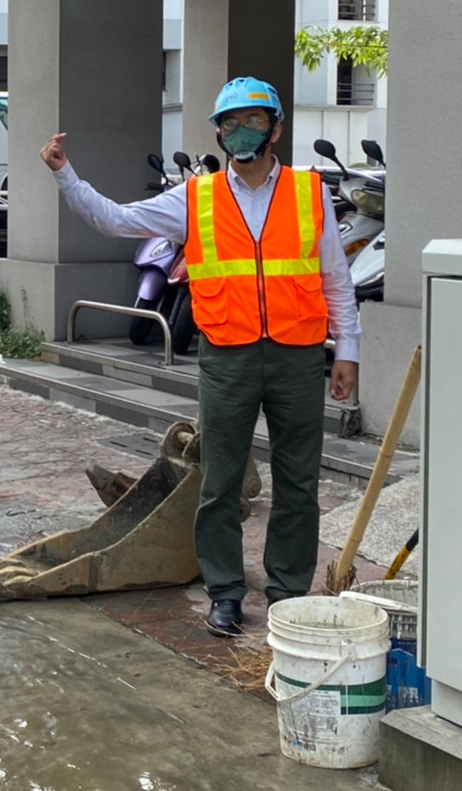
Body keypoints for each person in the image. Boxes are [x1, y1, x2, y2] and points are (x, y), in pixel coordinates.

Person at [40, 77, 359, 637]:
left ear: (276, 128)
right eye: (229, 124)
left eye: (253, 121)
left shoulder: (310, 194)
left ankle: (287, 592)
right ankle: (226, 592)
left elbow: (335, 277)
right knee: (219, 480)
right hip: (228, 358)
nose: (241, 132)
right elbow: (116, 220)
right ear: (218, 132)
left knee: (297, 483)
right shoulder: (196, 197)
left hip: (298, 356)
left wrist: (347, 352)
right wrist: (66, 174)